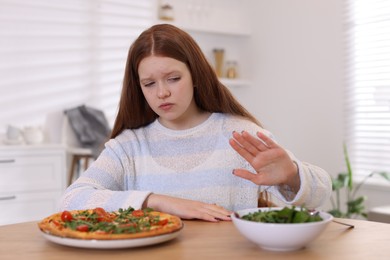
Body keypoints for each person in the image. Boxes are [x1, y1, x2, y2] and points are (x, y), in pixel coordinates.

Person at [60, 24, 332, 222]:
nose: (162, 92)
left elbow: (320, 195)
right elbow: (71, 200)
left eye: (173, 78)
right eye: (149, 84)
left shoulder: (240, 135)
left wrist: (292, 177)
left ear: (196, 75)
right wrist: (158, 201)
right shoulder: (129, 147)